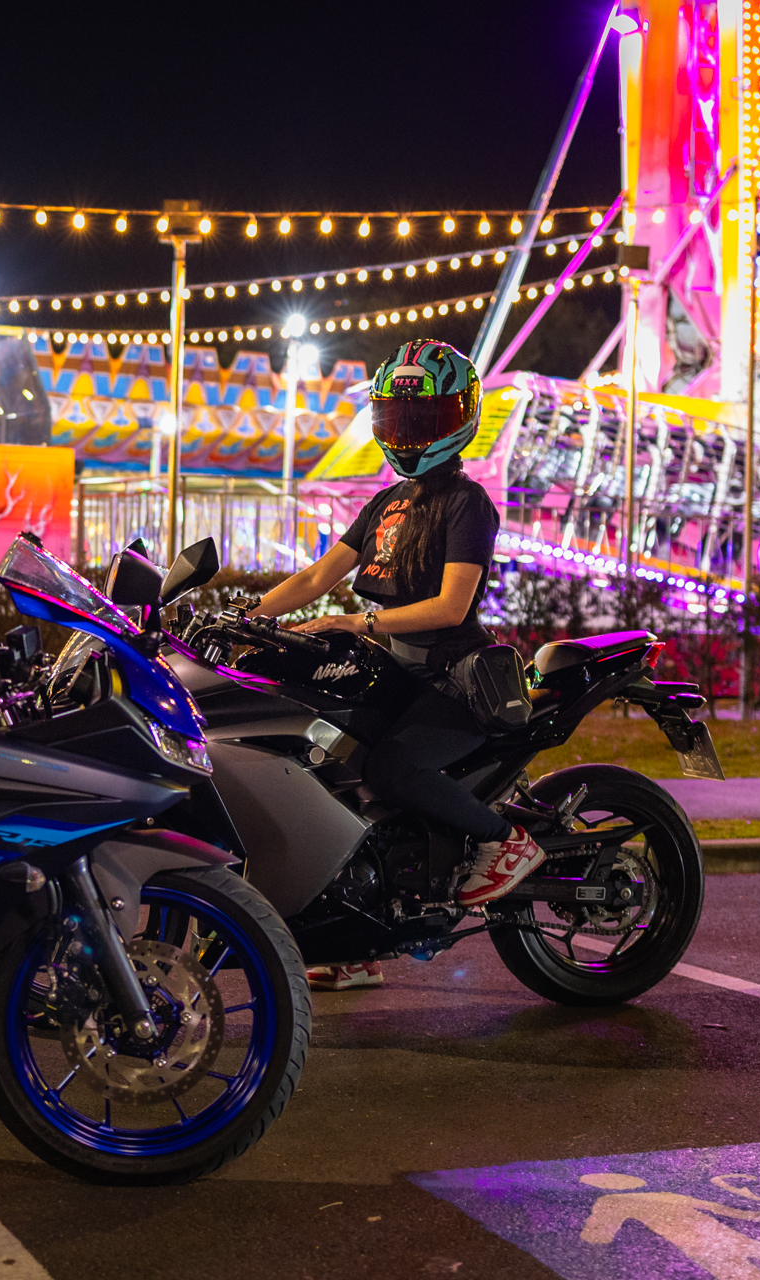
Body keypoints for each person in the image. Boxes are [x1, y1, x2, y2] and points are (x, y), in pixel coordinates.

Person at [252, 338, 544, 990]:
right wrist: (248, 616)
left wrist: (359, 622)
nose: (409, 432)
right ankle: (354, 940)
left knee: (391, 767)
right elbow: (317, 576)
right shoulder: (387, 504)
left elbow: (451, 606)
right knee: (327, 764)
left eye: (424, 419)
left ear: (458, 420)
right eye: (400, 418)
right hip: (398, 676)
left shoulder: (468, 504)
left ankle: (504, 840)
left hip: (457, 681)